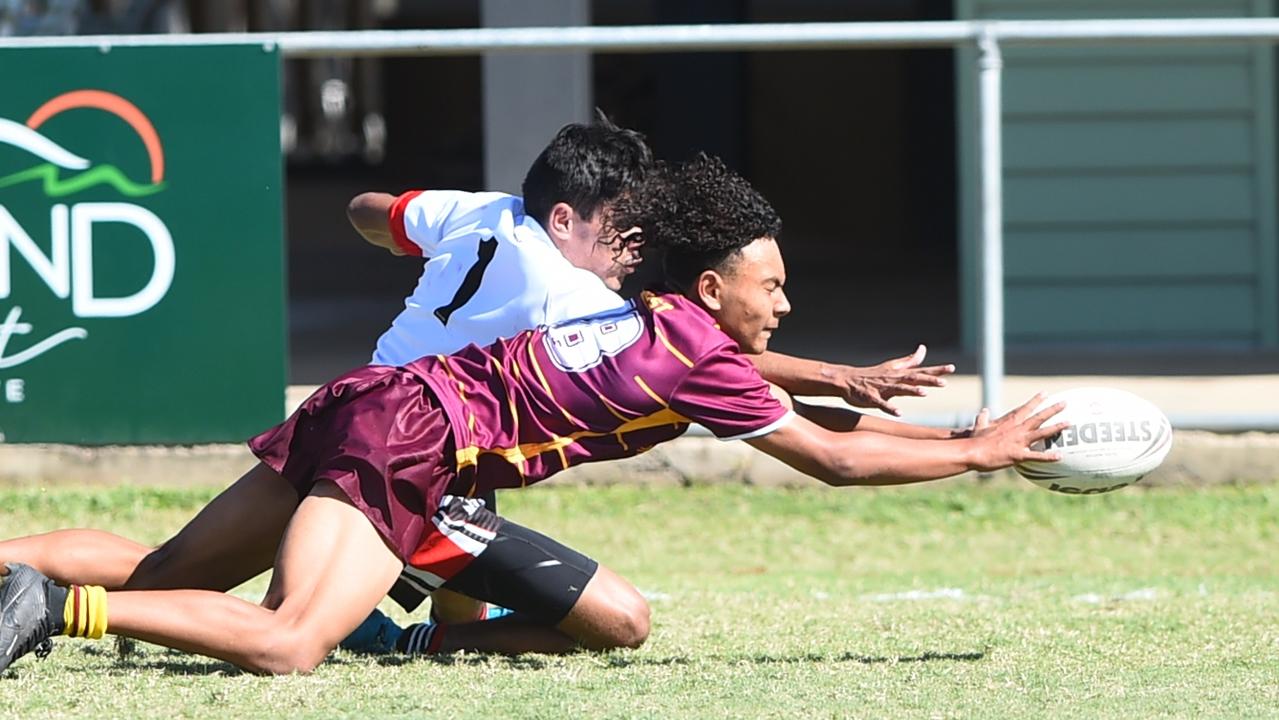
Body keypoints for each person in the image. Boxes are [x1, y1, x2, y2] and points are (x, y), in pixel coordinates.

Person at [0, 154, 1066, 675]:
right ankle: (50, 612)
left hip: (373, 407)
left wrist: (963, 440)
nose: (781, 302)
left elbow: (829, 433)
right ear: (709, 292)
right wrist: (977, 453)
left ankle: (25, 573)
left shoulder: (653, 318)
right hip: (412, 447)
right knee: (287, 645)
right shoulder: (694, 358)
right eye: (770, 288)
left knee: (170, 576)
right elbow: (832, 464)